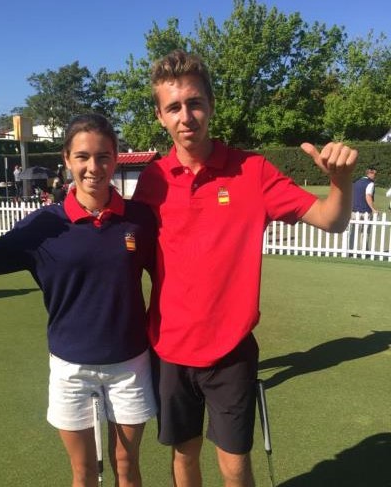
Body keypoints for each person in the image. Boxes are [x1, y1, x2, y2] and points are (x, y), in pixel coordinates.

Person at [133, 49, 358, 487]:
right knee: (184, 457)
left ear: (211, 105)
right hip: (169, 347)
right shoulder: (152, 180)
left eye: (195, 103)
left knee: (235, 466)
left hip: (231, 351)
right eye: (174, 107)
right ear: (160, 116)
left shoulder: (251, 171)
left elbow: (332, 220)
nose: (187, 116)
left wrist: (341, 181)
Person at [0, 113, 157, 487]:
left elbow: (177, 273)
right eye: (83, 156)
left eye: (104, 156)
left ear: (116, 157)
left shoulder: (139, 220)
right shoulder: (44, 225)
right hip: (70, 368)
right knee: (83, 472)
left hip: (130, 365)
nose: (94, 167)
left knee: (126, 467)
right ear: (67, 159)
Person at [350, 167, 378, 251]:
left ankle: (351, 249)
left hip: (354, 211)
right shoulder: (370, 183)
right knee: (364, 232)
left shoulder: (356, 182)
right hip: (365, 211)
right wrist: (373, 209)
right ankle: (364, 251)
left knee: (353, 232)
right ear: (370, 173)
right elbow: (368, 196)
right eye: (375, 174)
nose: (375, 176)